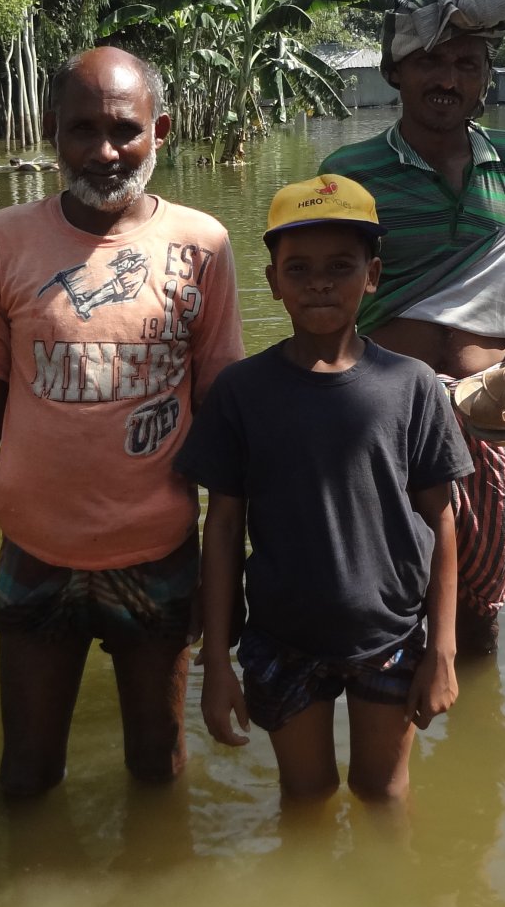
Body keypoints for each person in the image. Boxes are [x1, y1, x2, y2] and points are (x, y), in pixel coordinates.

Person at [0, 46, 243, 797]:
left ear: (160, 130)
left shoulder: (205, 245)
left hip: (158, 551)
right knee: (25, 774)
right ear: (52, 131)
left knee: (158, 769)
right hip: (36, 550)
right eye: (81, 128)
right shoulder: (6, 239)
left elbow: (226, 415)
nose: (103, 150)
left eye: (123, 129)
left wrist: (233, 566)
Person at [177, 175, 469, 802]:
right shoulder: (241, 392)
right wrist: (218, 663)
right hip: (281, 636)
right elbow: (222, 527)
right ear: (272, 280)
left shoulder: (412, 385)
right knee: (304, 796)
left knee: (384, 794)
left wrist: (442, 649)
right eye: (299, 267)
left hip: (389, 635)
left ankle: (394, 904)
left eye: (341, 266)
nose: (319, 282)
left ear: (373, 275)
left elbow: (442, 521)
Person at [321, 0, 505, 658]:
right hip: (388, 415)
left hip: (488, 413)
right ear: (397, 72)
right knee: (386, 601)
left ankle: (476, 741)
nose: (447, 79)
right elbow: (326, 301)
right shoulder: (349, 171)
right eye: (430, 62)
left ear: (486, 78)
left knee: (481, 604)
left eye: (465, 64)